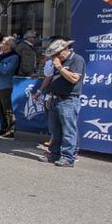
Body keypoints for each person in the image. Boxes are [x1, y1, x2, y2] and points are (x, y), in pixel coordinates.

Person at [40, 39, 84, 167]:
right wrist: (50, 96)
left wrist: (59, 66)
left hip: (68, 99)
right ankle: (54, 154)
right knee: (55, 129)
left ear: (64, 50)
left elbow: (74, 78)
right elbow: (54, 78)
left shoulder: (76, 60)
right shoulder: (59, 61)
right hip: (56, 98)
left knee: (68, 129)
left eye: (56, 54)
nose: (55, 57)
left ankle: (68, 157)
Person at [0, 36, 19, 137]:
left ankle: (10, 130)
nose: (1, 45)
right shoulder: (1, 56)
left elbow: (6, 70)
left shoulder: (14, 57)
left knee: (7, 109)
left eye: (3, 43)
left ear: (9, 46)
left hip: (5, 85)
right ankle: (3, 127)